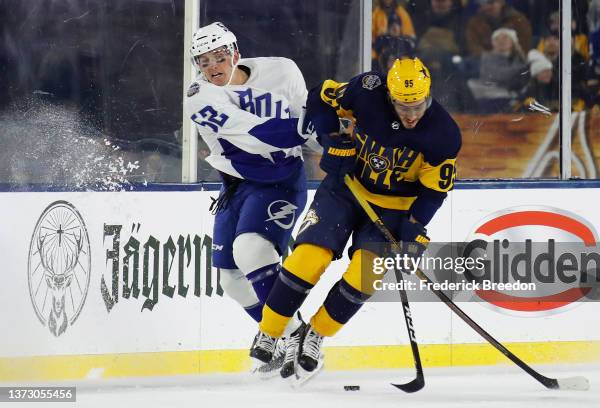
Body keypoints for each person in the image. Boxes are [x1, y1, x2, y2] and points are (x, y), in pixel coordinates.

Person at [249, 58, 461, 381]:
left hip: (394, 209)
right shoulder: (366, 91)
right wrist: (331, 138)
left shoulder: (443, 134)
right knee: (307, 260)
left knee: (365, 278)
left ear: (428, 96)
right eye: (403, 106)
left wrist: (415, 228)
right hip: (345, 190)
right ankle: (271, 331)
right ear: (390, 96)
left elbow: (434, 192)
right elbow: (320, 96)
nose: (411, 114)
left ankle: (315, 336)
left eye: (417, 105)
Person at [185, 21, 317, 375]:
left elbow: (310, 127)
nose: (212, 67)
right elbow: (257, 133)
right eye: (203, 61)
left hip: (281, 180)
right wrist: (312, 126)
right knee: (229, 279)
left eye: (219, 57)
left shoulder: (283, 70)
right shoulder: (199, 96)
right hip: (237, 185)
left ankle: (293, 339)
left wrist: (339, 141)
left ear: (235, 53)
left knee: (251, 251)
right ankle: (289, 335)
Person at [465, 0, 532, 57]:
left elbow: (525, 46)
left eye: (491, 2)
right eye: (483, 3)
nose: (487, 7)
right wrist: (491, 57)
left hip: (515, 63)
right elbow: (474, 48)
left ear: (501, 2)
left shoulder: (518, 20)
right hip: (485, 65)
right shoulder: (474, 24)